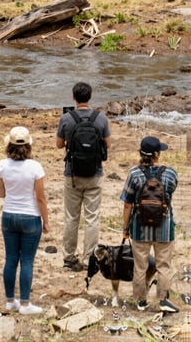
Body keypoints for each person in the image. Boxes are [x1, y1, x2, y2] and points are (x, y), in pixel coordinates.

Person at [55, 81, 112, 271]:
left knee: (71, 217)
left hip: (72, 174)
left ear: (74, 97)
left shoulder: (67, 118)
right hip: (95, 173)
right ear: (90, 97)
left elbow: (59, 145)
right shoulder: (101, 118)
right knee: (92, 218)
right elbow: (108, 144)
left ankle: (69, 258)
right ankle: (89, 259)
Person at [120, 135, 179, 313]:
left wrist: (125, 228)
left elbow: (127, 203)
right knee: (164, 265)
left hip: (140, 227)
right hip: (164, 227)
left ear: (141, 153)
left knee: (140, 265)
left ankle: (140, 301)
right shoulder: (170, 173)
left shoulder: (134, 174)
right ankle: (162, 300)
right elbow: (169, 196)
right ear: (156, 154)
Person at [0, 126, 49, 316]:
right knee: (27, 261)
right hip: (30, 216)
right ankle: (25, 304)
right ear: (28, 146)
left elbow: (0, 193)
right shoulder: (35, 167)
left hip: (9, 215)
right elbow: (41, 198)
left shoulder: (2, 165)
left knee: (10, 259)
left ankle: (10, 301)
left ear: (8, 145)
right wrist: (46, 221)